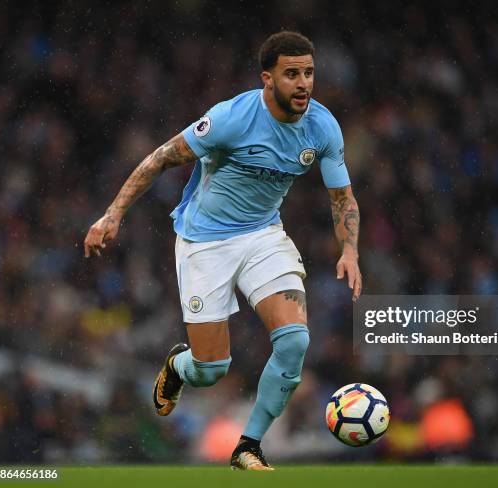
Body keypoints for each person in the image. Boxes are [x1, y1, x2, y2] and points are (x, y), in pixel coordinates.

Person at [83, 31, 362, 470]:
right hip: (205, 243)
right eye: (292, 74)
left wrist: (350, 251)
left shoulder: (322, 127)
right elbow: (160, 158)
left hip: (263, 236)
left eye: (309, 73)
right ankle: (179, 366)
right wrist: (112, 215)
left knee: (294, 342)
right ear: (267, 79)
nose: (304, 83)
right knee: (212, 370)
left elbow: (343, 198)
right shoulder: (231, 119)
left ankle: (248, 445)